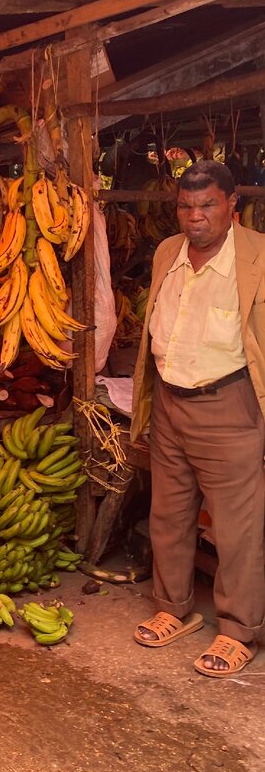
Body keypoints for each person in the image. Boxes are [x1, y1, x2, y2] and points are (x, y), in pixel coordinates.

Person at [131, 160, 264, 677]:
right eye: (186, 206)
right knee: (169, 512)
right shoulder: (168, 252)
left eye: (207, 204)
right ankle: (173, 607)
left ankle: (238, 631)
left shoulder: (255, 257)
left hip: (228, 406)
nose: (196, 216)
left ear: (232, 204)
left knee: (238, 527)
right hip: (169, 401)